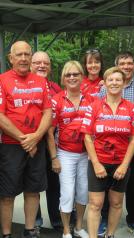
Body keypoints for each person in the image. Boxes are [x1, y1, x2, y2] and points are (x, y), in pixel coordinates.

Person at [0, 41, 52, 238]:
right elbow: (0, 115)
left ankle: (29, 230)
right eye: (19, 54)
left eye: (26, 54)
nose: (23, 58)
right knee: (6, 194)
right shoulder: (2, 80)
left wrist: (36, 137)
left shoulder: (40, 82)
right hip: (11, 147)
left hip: (36, 145)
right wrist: (25, 140)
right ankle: (6, 234)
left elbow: (48, 112)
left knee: (33, 190)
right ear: (11, 58)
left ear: (31, 58)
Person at [81, 67, 134, 238]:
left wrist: (124, 165)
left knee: (115, 203)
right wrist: (96, 163)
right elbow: (87, 137)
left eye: (118, 80)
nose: (114, 83)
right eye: (110, 80)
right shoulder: (94, 106)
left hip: (121, 164)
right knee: (95, 204)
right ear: (104, 83)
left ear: (123, 83)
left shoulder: (131, 108)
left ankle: (110, 235)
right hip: (98, 163)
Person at [98, 52, 134, 238]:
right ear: (117, 65)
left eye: (129, 63)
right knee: (105, 186)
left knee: (132, 186)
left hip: (132, 146)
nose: (126, 66)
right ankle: (105, 219)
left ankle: (133, 221)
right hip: (108, 147)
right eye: (122, 63)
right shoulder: (104, 89)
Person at [48, 61, 93, 238]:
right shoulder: (56, 100)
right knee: (67, 193)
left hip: (86, 154)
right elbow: (49, 133)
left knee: (83, 192)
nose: (72, 77)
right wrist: (54, 158)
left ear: (82, 77)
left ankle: (78, 226)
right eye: (68, 75)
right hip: (65, 153)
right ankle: (66, 230)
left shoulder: (91, 100)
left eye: (76, 74)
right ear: (63, 78)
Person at [30, 51, 63, 231]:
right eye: (37, 63)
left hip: (53, 142)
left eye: (45, 63)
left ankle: (57, 221)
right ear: (31, 65)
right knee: (33, 185)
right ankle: (35, 221)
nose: (42, 66)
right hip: (31, 143)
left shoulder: (56, 88)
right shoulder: (24, 86)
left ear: (50, 67)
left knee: (53, 184)